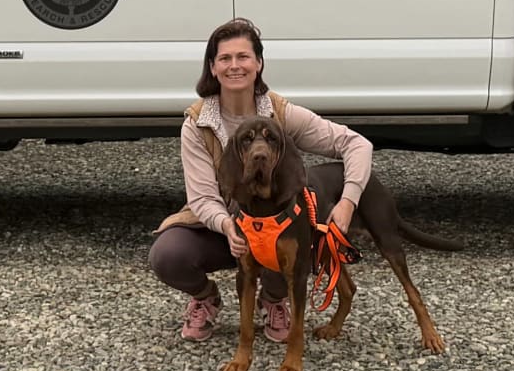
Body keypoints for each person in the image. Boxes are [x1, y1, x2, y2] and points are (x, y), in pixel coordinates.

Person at [149, 18, 373, 342]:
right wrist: (228, 226)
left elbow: (356, 144)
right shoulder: (197, 124)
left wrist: (348, 202)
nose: (234, 65)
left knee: (301, 238)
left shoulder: (280, 114)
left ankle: (273, 300)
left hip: (272, 229)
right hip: (221, 229)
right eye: (225, 58)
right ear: (212, 68)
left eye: (243, 57)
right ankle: (205, 297)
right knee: (167, 255)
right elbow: (201, 197)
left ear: (259, 63)